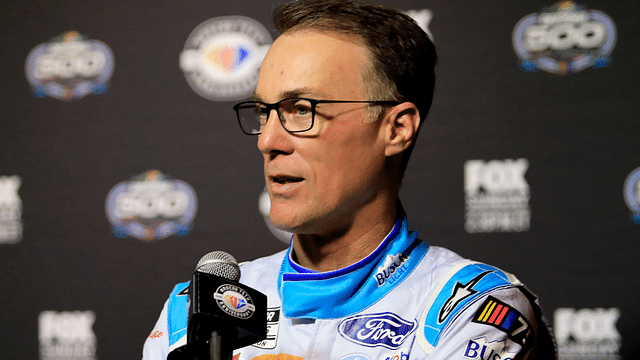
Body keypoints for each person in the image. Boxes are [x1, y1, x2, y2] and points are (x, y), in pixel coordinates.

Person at [143, 0, 557, 359]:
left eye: (301, 109)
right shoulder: (196, 309)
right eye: (264, 112)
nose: (268, 141)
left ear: (396, 129)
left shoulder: (472, 308)